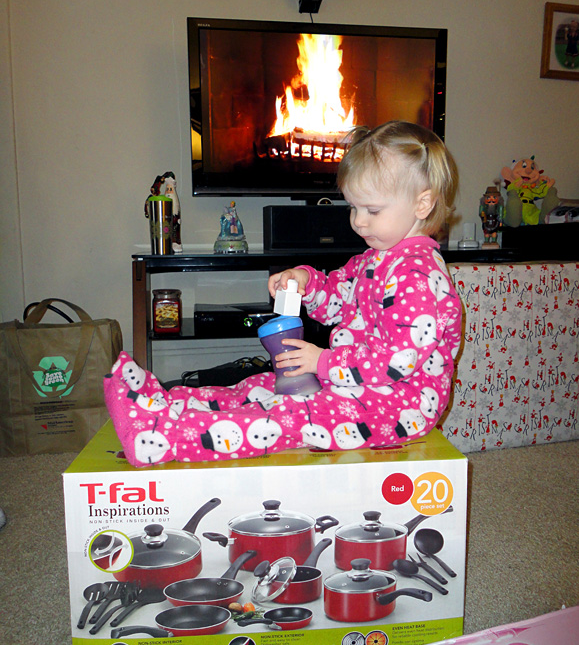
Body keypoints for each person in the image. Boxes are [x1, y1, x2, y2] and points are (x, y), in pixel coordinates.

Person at [105, 121, 462, 467]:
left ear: (422, 204)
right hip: (354, 382)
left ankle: (163, 437)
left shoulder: (418, 273)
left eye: (372, 210)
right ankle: (166, 404)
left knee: (290, 416)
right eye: (353, 207)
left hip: (399, 405)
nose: (358, 221)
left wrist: (323, 363)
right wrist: (305, 281)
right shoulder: (377, 258)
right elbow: (338, 298)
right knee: (259, 387)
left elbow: (397, 361)